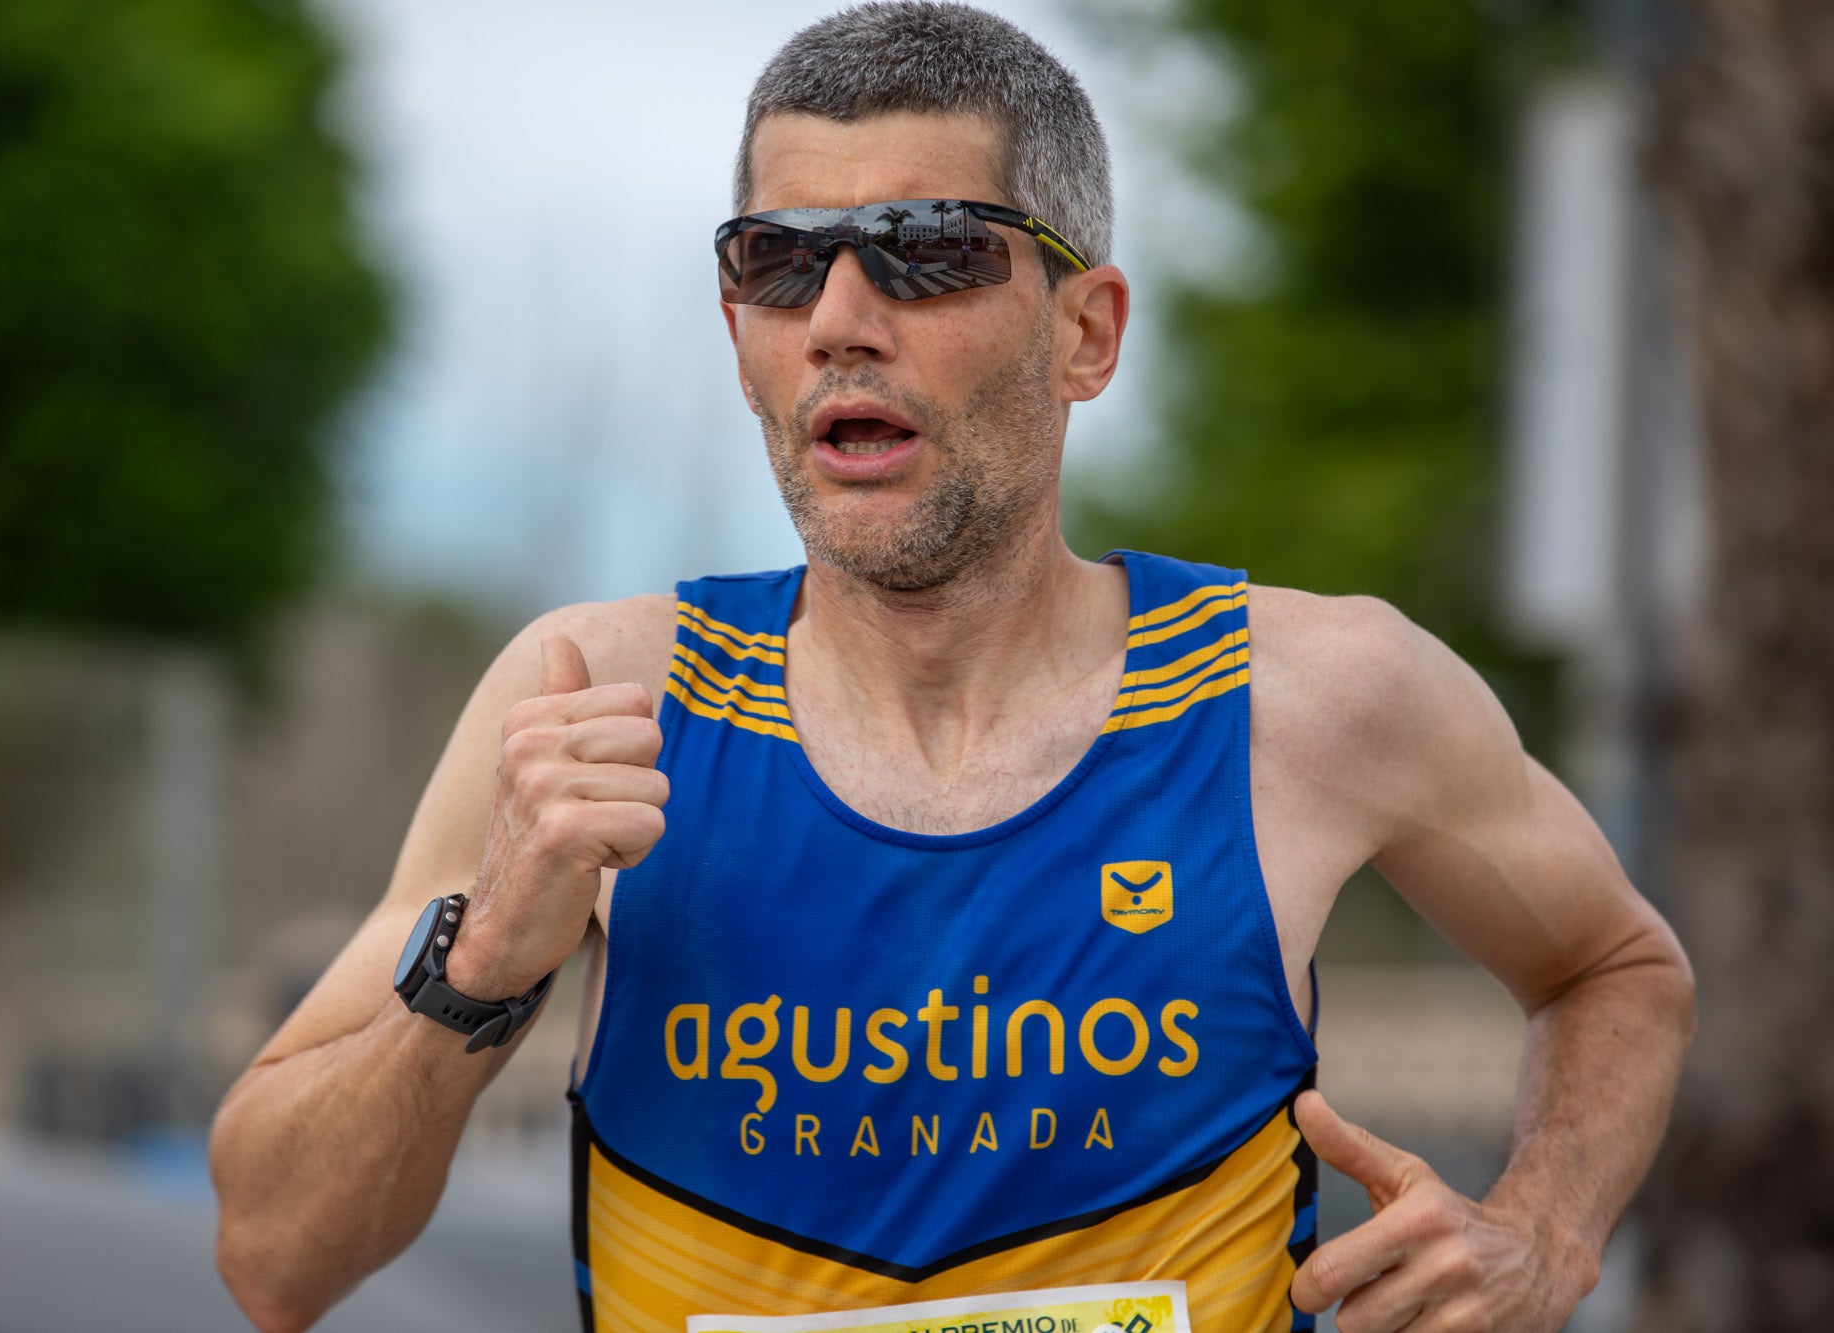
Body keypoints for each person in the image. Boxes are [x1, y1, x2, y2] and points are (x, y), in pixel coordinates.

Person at [209, 5, 1695, 1333]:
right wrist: (476, 972)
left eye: (929, 252)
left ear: (1087, 332)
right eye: (780, 263)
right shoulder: (595, 703)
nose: (843, 322)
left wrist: (1541, 1237)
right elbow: (275, 1262)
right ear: (739, 334)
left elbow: (1617, 967)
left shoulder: (1308, 699)